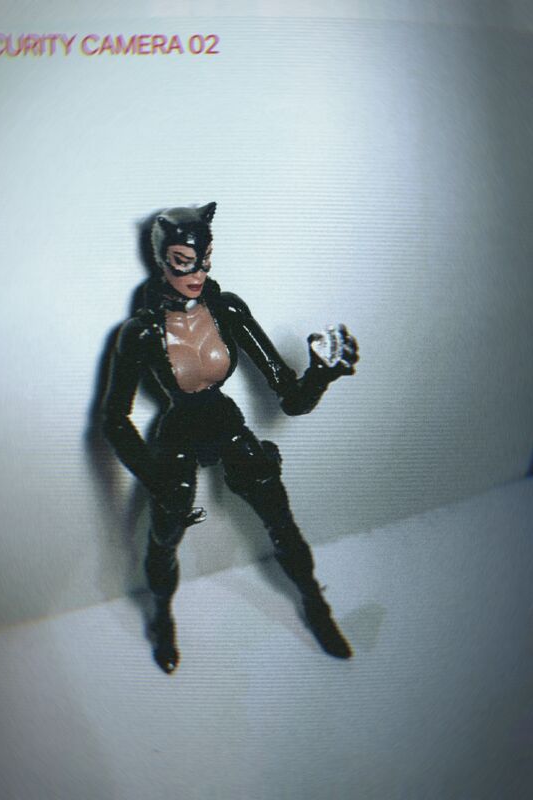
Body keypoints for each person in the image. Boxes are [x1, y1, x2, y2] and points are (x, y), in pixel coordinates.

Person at [103, 202, 359, 673]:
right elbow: (114, 419)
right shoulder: (141, 333)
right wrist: (155, 476)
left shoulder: (227, 309)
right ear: (162, 260)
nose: (197, 274)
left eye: (204, 260)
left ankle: (316, 605)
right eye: (184, 262)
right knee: (164, 537)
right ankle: (161, 618)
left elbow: (290, 398)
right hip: (177, 436)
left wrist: (321, 374)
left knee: (281, 520)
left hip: (225, 423)